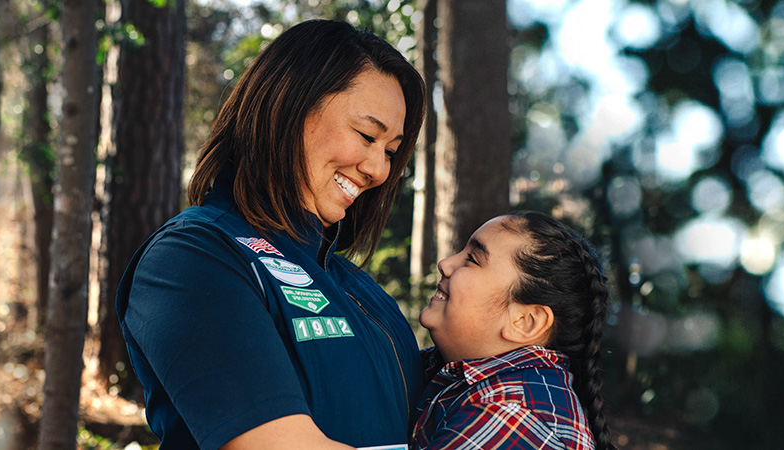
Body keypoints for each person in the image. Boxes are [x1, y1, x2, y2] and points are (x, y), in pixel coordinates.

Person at [114, 19, 425, 450]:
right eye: (367, 135)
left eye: (390, 151)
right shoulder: (193, 257)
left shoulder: (356, 287)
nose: (378, 169)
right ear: (289, 105)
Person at [413, 211, 615, 450]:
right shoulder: (453, 371)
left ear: (525, 321)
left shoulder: (513, 413)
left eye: (473, 259)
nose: (445, 264)